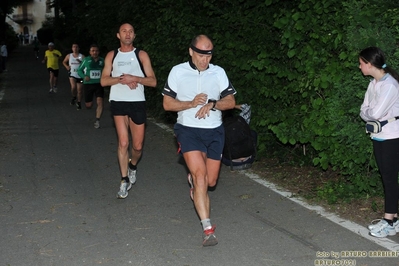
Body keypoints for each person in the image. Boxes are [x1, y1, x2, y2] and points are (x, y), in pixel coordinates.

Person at [162, 34, 236, 246]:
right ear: (191, 51)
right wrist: (190, 103)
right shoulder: (178, 71)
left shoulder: (218, 72)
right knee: (201, 176)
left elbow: (230, 101)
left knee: (209, 182)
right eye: (201, 53)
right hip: (188, 130)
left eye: (209, 53)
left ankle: (195, 186)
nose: (205, 58)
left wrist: (213, 104)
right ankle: (208, 229)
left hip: (214, 132)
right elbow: (167, 104)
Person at [100, 23, 157, 199]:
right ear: (118, 35)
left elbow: (153, 81)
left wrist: (136, 78)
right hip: (118, 101)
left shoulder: (141, 55)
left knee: (137, 146)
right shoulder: (112, 55)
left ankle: (133, 166)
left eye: (131, 31)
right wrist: (122, 79)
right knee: (123, 142)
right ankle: (124, 180)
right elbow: (103, 81)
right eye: (124, 31)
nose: (127, 34)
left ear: (134, 35)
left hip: (137, 102)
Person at [359, 47, 399, 238]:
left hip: (392, 136)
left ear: (369, 63)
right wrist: (369, 113)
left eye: (361, 63)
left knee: (389, 179)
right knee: (386, 177)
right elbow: (364, 110)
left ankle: (389, 220)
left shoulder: (390, 85)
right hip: (379, 135)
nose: (359, 67)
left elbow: (372, 113)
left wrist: (369, 113)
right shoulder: (374, 83)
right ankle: (396, 218)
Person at [77, 44, 105, 128]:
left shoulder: (102, 60)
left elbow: (107, 70)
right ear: (90, 52)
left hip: (99, 84)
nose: (95, 52)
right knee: (88, 105)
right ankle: (90, 102)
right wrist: (84, 77)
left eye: (96, 51)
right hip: (88, 84)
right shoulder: (86, 60)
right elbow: (79, 70)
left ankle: (97, 120)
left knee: (100, 102)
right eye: (93, 51)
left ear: (98, 52)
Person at [63, 43, 85, 109]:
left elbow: (86, 64)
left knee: (80, 90)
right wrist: (66, 66)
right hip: (72, 74)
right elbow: (64, 62)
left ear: (78, 48)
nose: (75, 48)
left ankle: (79, 102)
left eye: (76, 47)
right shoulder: (69, 56)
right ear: (72, 48)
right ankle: (74, 96)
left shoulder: (82, 56)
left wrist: (81, 62)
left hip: (80, 74)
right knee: (73, 87)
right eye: (73, 47)